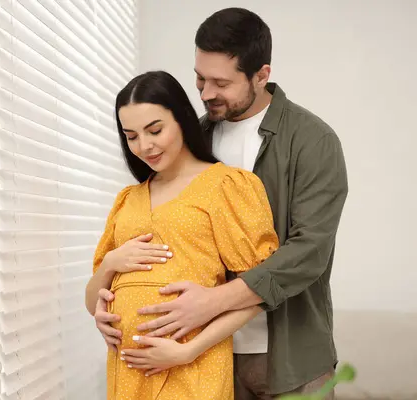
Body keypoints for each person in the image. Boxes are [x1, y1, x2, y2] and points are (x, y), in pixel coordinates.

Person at [92, 7, 349, 400]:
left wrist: (211, 303)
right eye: (199, 78)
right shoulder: (191, 137)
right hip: (208, 358)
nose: (206, 92)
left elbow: (309, 252)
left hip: (289, 354)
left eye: (220, 82)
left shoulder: (311, 141)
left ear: (261, 75)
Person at [84, 70, 279, 399]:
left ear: (182, 119)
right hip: (127, 371)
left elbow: (260, 290)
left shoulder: (226, 186)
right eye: (131, 136)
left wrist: (188, 351)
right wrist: (111, 265)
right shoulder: (127, 200)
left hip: (192, 366)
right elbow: (92, 303)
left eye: (155, 130)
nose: (144, 146)